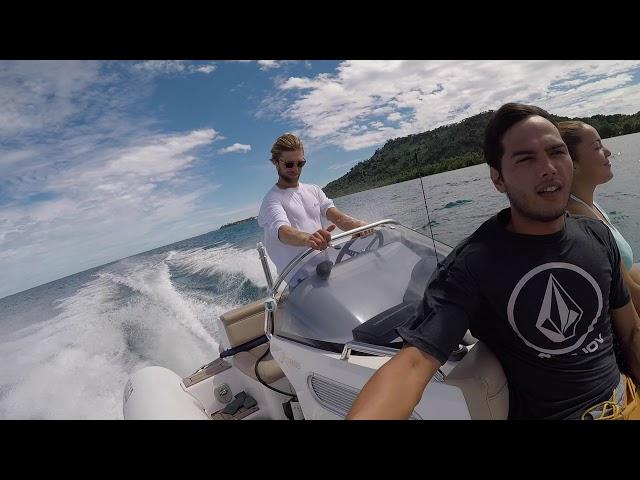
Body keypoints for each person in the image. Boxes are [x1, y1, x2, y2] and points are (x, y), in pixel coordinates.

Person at [347, 103, 640, 420]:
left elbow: (631, 333)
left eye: (557, 152)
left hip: (627, 396)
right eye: (526, 158)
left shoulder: (596, 235)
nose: (549, 167)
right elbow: (413, 364)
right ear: (498, 179)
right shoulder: (473, 264)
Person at [258, 133, 370, 276]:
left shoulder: (314, 190)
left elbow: (337, 218)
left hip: (326, 268)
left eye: (300, 163)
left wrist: (359, 226)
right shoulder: (272, 199)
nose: (295, 169)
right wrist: (308, 239)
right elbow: (283, 231)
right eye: (289, 164)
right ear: (275, 162)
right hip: (299, 279)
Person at [558, 120, 640, 316]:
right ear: (572, 163)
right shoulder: (581, 222)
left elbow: (627, 271)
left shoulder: (589, 206)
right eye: (597, 146)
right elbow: (631, 299)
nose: (608, 151)